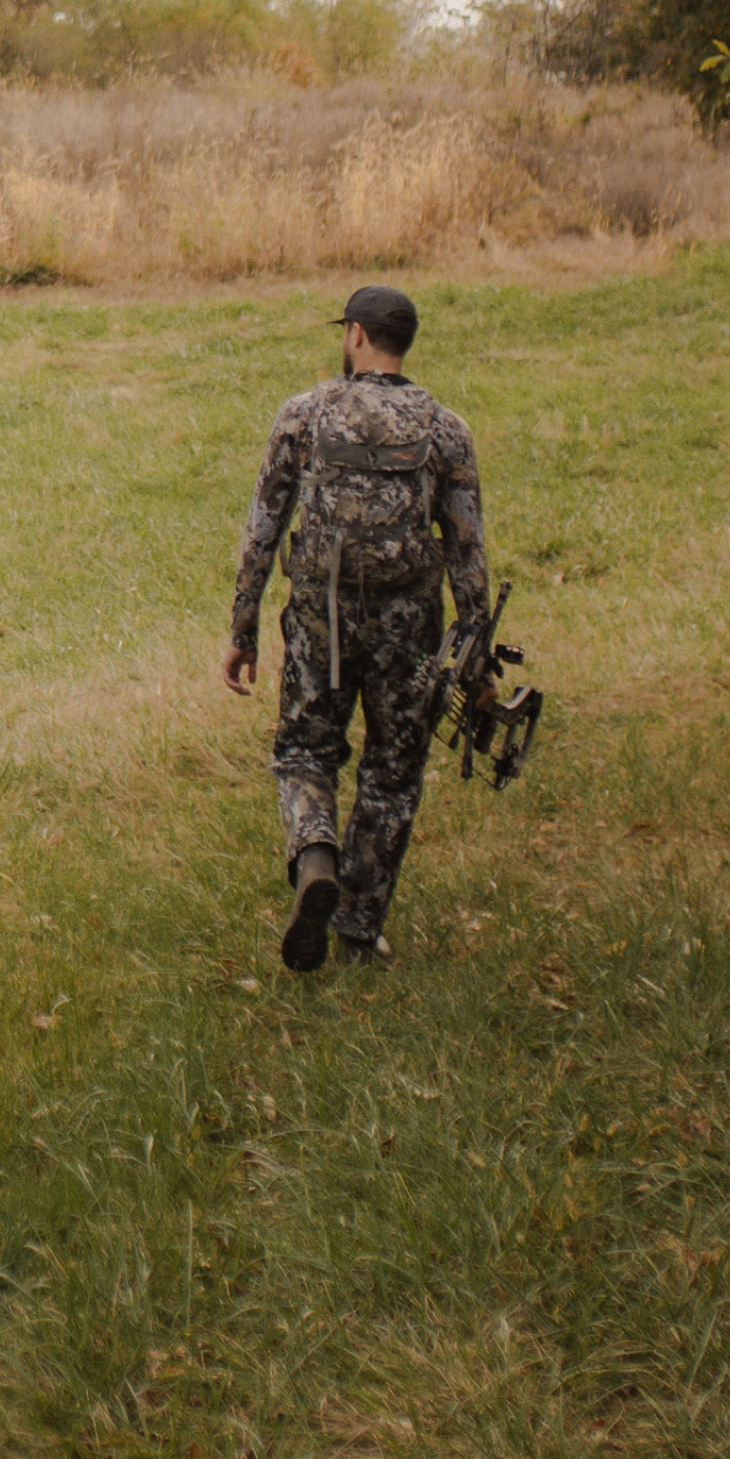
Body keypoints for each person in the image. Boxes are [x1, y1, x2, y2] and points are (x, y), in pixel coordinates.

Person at [223, 284, 490, 972]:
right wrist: (476, 646)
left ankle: (315, 857)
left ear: (356, 337)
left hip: (320, 616)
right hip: (410, 623)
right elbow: (467, 549)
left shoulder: (304, 415)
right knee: (392, 773)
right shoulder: (445, 429)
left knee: (306, 751)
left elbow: (263, 527)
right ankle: (359, 930)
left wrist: (244, 629)